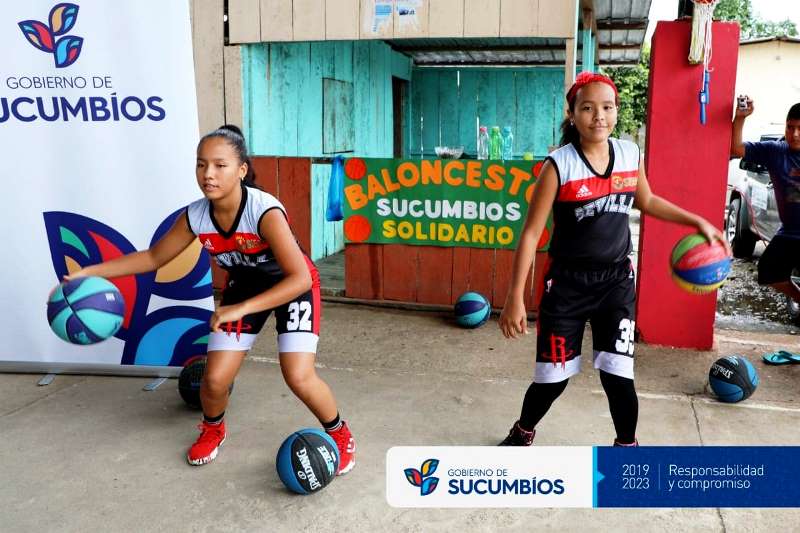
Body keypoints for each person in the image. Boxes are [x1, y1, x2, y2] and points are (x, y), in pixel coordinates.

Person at [63, 125, 356, 472]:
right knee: (215, 380)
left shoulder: (264, 211)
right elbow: (154, 258)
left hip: (292, 287)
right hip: (245, 288)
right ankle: (213, 428)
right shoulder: (196, 216)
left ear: (241, 170)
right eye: (201, 165)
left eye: (220, 165)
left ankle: (340, 434)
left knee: (298, 376)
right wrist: (91, 272)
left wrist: (240, 308)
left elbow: (300, 278)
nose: (208, 174)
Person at [498, 72, 726, 447]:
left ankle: (626, 449)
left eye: (607, 107)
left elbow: (646, 200)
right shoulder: (558, 166)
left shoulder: (629, 154)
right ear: (572, 114)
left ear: (617, 111)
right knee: (552, 381)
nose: (598, 116)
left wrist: (696, 221)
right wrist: (514, 298)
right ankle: (523, 430)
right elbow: (530, 234)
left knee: (618, 377)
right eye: (587, 108)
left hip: (616, 283)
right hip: (567, 287)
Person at [730, 98, 800, 304]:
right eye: (790, 127)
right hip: (789, 233)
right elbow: (737, 148)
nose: (795, 134)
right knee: (768, 271)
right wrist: (740, 118)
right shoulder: (775, 151)